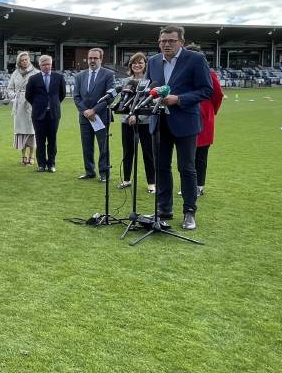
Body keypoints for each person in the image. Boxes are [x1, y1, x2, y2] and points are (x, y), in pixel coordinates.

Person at [147, 25, 213, 232]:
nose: (166, 44)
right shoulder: (153, 61)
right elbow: (151, 87)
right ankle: (164, 209)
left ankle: (189, 211)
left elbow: (206, 90)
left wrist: (179, 99)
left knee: (187, 168)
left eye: (171, 41)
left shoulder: (196, 59)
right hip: (159, 122)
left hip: (185, 121)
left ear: (181, 42)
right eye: (163, 41)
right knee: (161, 167)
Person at [72, 48, 115, 182]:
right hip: (85, 117)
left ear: (101, 59)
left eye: (95, 58)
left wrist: (94, 110)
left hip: (100, 116)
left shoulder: (108, 75)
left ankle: (104, 173)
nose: (92, 61)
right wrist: (85, 111)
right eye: (90, 58)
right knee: (87, 146)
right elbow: (76, 97)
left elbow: (110, 96)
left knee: (103, 146)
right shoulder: (80, 76)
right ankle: (89, 171)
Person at [187, 44, 224, 198]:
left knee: (200, 155)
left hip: (203, 117)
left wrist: (209, 111)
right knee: (187, 155)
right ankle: (189, 186)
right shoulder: (182, 73)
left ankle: (199, 186)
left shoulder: (209, 73)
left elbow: (218, 95)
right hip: (186, 116)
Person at [118, 52, 156, 193]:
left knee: (148, 153)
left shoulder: (150, 82)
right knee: (128, 152)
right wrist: (129, 116)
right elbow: (123, 101)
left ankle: (151, 183)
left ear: (145, 65)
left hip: (145, 123)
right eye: (134, 62)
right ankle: (127, 180)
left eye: (140, 62)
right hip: (127, 122)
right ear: (130, 65)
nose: (137, 65)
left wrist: (138, 117)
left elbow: (150, 104)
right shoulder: (125, 81)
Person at [24, 54, 66, 172]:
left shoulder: (59, 77)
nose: (47, 67)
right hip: (38, 114)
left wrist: (53, 104)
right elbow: (28, 96)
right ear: (40, 65)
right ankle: (41, 164)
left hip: (54, 114)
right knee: (40, 140)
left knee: (52, 140)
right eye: (44, 64)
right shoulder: (33, 79)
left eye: (48, 64)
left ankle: (51, 164)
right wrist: (38, 105)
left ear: (51, 65)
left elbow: (61, 95)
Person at [8, 52, 37, 166]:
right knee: (21, 131)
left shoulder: (36, 73)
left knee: (32, 131)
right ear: (19, 62)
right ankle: (23, 156)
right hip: (19, 105)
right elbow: (10, 88)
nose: (24, 61)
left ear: (29, 60)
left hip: (31, 105)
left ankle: (31, 156)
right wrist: (14, 96)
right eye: (22, 60)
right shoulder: (15, 73)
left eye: (26, 59)